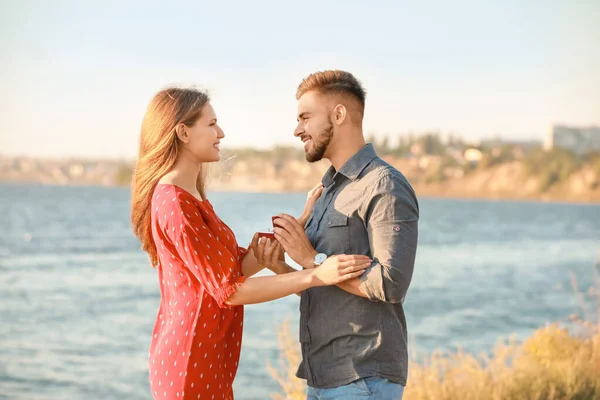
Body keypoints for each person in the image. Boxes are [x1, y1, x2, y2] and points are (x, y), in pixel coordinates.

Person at [129, 86, 372, 400]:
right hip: (189, 362)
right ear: (183, 133)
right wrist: (314, 275)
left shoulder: (190, 198)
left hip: (208, 360)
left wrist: (299, 223)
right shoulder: (175, 203)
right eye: (211, 123)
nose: (221, 132)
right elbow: (230, 290)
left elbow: (235, 266)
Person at [260, 70, 419, 399]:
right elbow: (328, 288)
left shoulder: (384, 185)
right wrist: (284, 271)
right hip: (322, 379)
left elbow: (390, 284)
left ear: (339, 114)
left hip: (363, 379)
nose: (297, 129)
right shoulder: (326, 191)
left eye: (305, 117)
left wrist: (309, 258)